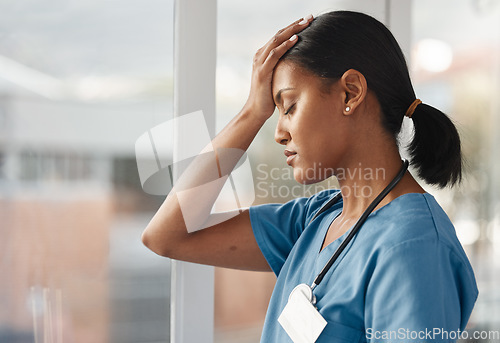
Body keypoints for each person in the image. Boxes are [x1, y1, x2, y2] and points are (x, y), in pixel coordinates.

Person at [141, 10, 478, 342]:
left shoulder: (412, 247)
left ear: (349, 92)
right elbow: (168, 235)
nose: (279, 133)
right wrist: (251, 112)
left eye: (288, 106)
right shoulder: (316, 219)